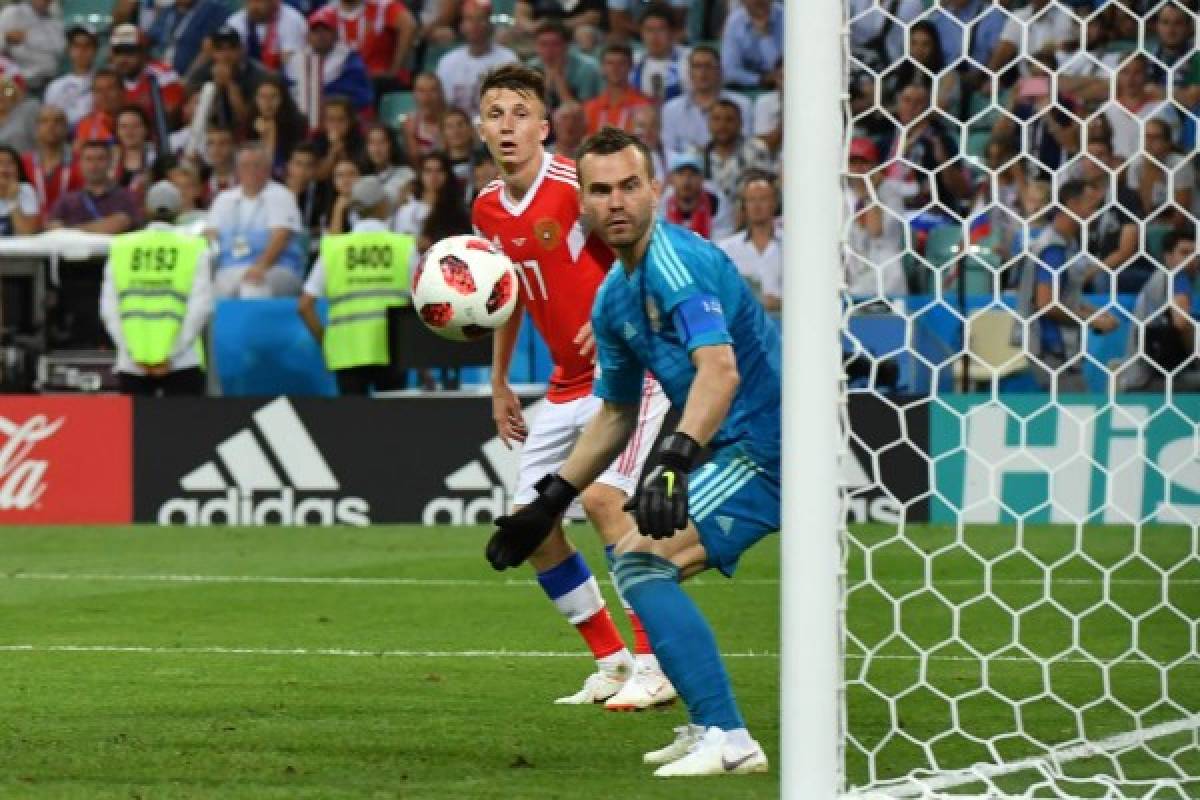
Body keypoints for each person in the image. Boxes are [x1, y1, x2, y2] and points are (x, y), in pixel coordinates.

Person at [486, 126, 780, 777]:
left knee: (643, 564)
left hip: (768, 444)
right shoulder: (616, 296)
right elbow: (615, 413)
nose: (616, 201)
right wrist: (550, 501)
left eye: (628, 186)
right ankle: (707, 722)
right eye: (600, 190)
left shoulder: (674, 263)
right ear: (583, 205)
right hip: (738, 443)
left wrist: (673, 459)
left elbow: (720, 371)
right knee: (643, 567)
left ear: (654, 191)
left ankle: (729, 740)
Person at [473, 64, 674, 710]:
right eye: (495, 112)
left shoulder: (572, 185)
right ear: (481, 127)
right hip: (563, 381)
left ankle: (655, 663)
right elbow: (503, 296)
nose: (508, 124)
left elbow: (643, 243)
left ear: (544, 125)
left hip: (627, 370)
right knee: (526, 525)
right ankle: (612, 662)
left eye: (520, 112)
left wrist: (612, 313)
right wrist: (500, 379)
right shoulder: (484, 208)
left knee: (606, 504)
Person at [299, 175, 415, 395]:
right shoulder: (404, 247)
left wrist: (327, 341)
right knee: (395, 425)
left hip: (346, 352)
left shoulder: (334, 249)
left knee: (353, 427)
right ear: (382, 206)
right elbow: (419, 303)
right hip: (394, 351)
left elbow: (304, 306)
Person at [99, 181, 213, 396]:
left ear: (146, 210)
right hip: (182, 362)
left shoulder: (122, 247)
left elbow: (109, 310)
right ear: (178, 210)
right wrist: (169, 355)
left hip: (133, 363)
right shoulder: (193, 246)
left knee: (138, 430)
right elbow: (200, 307)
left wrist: (135, 354)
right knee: (184, 429)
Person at [1015, 179, 1119, 392]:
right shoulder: (1052, 250)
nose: (1096, 214)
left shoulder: (1068, 245)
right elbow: (1047, 304)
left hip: (1063, 350)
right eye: (1092, 206)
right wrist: (1092, 320)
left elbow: (1068, 297)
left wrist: (1098, 313)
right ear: (1072, 205)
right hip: (1050, 347)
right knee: (1077, 414)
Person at [205, 142, 306, 298]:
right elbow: (210, 238)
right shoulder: (223, 199)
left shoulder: (281, 196)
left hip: (276, 268)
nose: (251, 171)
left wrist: (261, 266)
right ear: (237, 170)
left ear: (267, 169)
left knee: (252, 287)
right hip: (230, 268)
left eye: (257, 165)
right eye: (246, 166)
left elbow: (281, 237)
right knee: (206, 291)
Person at [1120, 229, 1200, 391]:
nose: (1191, 259)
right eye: (1184, 253)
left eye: (1195, 254)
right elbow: (1181, 322)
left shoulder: (1159, 277)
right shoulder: (1178, 276)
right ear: (1168, 257)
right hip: (1150, 379)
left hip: (1138, 373)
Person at [307, 0, 416, 96]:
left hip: (378, 80)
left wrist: (395, 69)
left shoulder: (382, 6)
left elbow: (408, 25)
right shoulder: (327, 13)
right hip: (345, 79)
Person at [843, 138, 906, 299]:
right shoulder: (841, 195)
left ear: (875, 166)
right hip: (850, 266)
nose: (858, 169)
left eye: (864, 162)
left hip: (884, 268)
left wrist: (869, 195)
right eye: (853, 162)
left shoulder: (889, 192)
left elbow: (875, 231)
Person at [660, 46, 752, 155]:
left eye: (708, 66)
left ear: (720, 71)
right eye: (697, 66)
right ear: (689, 73)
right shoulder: (671, 109)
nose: (703, 72)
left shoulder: (742, 104)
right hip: (687, 169)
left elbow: (747, 146)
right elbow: (668, 152)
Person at [436, 0, 516, 117]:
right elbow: (442, 104)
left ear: (490, 23)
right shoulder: (447, 62)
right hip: (458, 130)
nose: (475, 24)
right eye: (469, 19)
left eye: (480, 19)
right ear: (461, 25)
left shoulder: (508, 60)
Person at [186, 26, 273, 133]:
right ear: (212, 51)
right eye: (220, 49)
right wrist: (215, 87)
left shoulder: (257, 74)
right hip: (208, 135)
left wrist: (230, 84)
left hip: (249, 137)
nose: (225, 55)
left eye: (231, 48)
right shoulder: (202, 72)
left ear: (241, 49)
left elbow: (246, 120)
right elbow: (190, 115)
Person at [47, 140, 141, 233]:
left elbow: (120, 223)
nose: (94, 165)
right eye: (89, 159)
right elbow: (53, 228)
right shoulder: (67, 201)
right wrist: (102, 226)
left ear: (110, 163)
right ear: (80, 164)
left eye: (100, 159)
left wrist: (69, 230)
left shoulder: (125, 197)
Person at [696, 98, 773, 212]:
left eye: (729, 120)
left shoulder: (755, 149)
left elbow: (760, 192)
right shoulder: (697, 156)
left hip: (747, 217)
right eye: (716, 119)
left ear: (740, 123)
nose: (722, 125)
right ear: (709, 124)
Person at [719, 174, 782, 311]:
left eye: (763, 199)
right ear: (744, 205)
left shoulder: (791, 247)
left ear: (774, 203)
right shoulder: (726, 249)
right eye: (751, 200)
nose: (757, 205)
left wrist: (781, 303)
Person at [287, 15, 374, 114]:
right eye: (315, 31)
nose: (320, 35)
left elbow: (361, 97)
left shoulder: (350, 61)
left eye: (325, 30)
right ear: (308, 36)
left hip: (339, 116)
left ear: (336, 34)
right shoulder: (297, 60)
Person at [109, 23, 186, 131]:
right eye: (119, 52)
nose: (123, 59)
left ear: (143, 53)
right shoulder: (109, 78)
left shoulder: (163, 74)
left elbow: (171, 116)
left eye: (130, 52)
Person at [22, 105, 83, 223]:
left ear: (66, 128)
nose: (51, 126)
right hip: (31, 231)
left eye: (57, 121)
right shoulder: (23, 163)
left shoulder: (81, 161)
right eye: (44, 121)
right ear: (36, 129)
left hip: (70, 229)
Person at [527, 19, 602, 112]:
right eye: (543, 44)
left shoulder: (587, 68)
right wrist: (547, 83)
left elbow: (584, 112)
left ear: (566, 45)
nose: (549, 50)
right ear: (536, 46)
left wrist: (558, 78)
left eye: (555, 44)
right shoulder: (530, 68)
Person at [145, 0, 230, 77]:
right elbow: (149, 39)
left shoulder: (212, 10)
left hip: (187, 77)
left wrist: (187, 79)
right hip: (159, 72)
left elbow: (209, 48)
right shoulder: (169, 11)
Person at [659, 151, 732, 241]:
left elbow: (723, 243)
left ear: (702, 178)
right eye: (681, 174)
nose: (686, 181)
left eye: (692, 174)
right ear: (672, 179)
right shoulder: (663, 202)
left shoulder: (716, 202)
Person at [224, 0, 308, 73]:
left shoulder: (292, 20)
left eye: (258, 1)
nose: (254, 7)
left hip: (282, 80)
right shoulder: (235, 21)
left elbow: (290, 63)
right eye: (250, 1)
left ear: (274, 2)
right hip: (246, 79)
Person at [583, 43, 650, 135]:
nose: (615, 68)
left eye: (621, 63)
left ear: (631, 66)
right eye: (610, 63)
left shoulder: (643, 105)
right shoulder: (591, 108)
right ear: (602, 67)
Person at [248, 74, 308, 176]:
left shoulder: (296, 123)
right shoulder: (249, 123)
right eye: (263, 97)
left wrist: (270, 133)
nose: (268, 102)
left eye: (273, 97)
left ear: (282, 98)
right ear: (255, 99)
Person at [629, 3, 689, 104]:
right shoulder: (633, 61)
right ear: (641, 33)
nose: (654, 36)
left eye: (661, 29)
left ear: (673, 32)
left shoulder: (689, 60)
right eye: (649, 30)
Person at [0, 0, 64, 92]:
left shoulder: (55, 19)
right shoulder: (13, 13)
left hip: (50, 83)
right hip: (16, 84)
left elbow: (60, 49)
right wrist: (7, 38)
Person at [43, 24, 98, 130]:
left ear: (95, 50)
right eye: (77, 46)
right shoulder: (55, 86)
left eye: (87, 46)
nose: (82, 51)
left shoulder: (104, 83)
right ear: (69, 50)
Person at [719, 0, 782, 91]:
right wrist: (759, 79)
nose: (758, 1)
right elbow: (729, 70)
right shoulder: (734, 22)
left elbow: (779, 66)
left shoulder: (787, 17)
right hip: (749, 87)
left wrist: (765, 34)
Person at [312, 94, 365, 181]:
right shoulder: (318, 138)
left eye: (341, 120)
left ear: (350, 121)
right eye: (331, 120)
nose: (335, 125)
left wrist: (340, 151)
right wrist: (332, 153)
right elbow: (319, 175)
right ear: (324, 122)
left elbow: (354, 174)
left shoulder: (359, 139)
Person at [401, 72, 447, 165]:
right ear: (414, 94)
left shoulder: (452, 120)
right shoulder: (410, 123)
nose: (427, 96)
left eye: (432, 90)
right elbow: (414, 160)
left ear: (441, 93)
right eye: (421, 91)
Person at [73, 68, 123, 151]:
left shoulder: (136, 120)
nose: (104, 95)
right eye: (99, 90)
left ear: (121, 91)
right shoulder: (84, 126)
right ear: (93, 95)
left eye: (110, 88)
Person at [363, 124, 414, 205]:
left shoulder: (405, 174)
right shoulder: (361, 176)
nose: (376, 149)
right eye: (372, 143)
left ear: (392, 145)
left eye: (382, 142)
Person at [0, 144, 39, 235]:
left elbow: (27, 233)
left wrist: (12, 200)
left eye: (9, 164)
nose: (3, 169)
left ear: (18, 170)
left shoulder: (26, 190)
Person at [0, 68, 37, 152]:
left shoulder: (28, 110)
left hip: (26, 162)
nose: (1, 95)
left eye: (6, 91)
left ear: (14, 93)